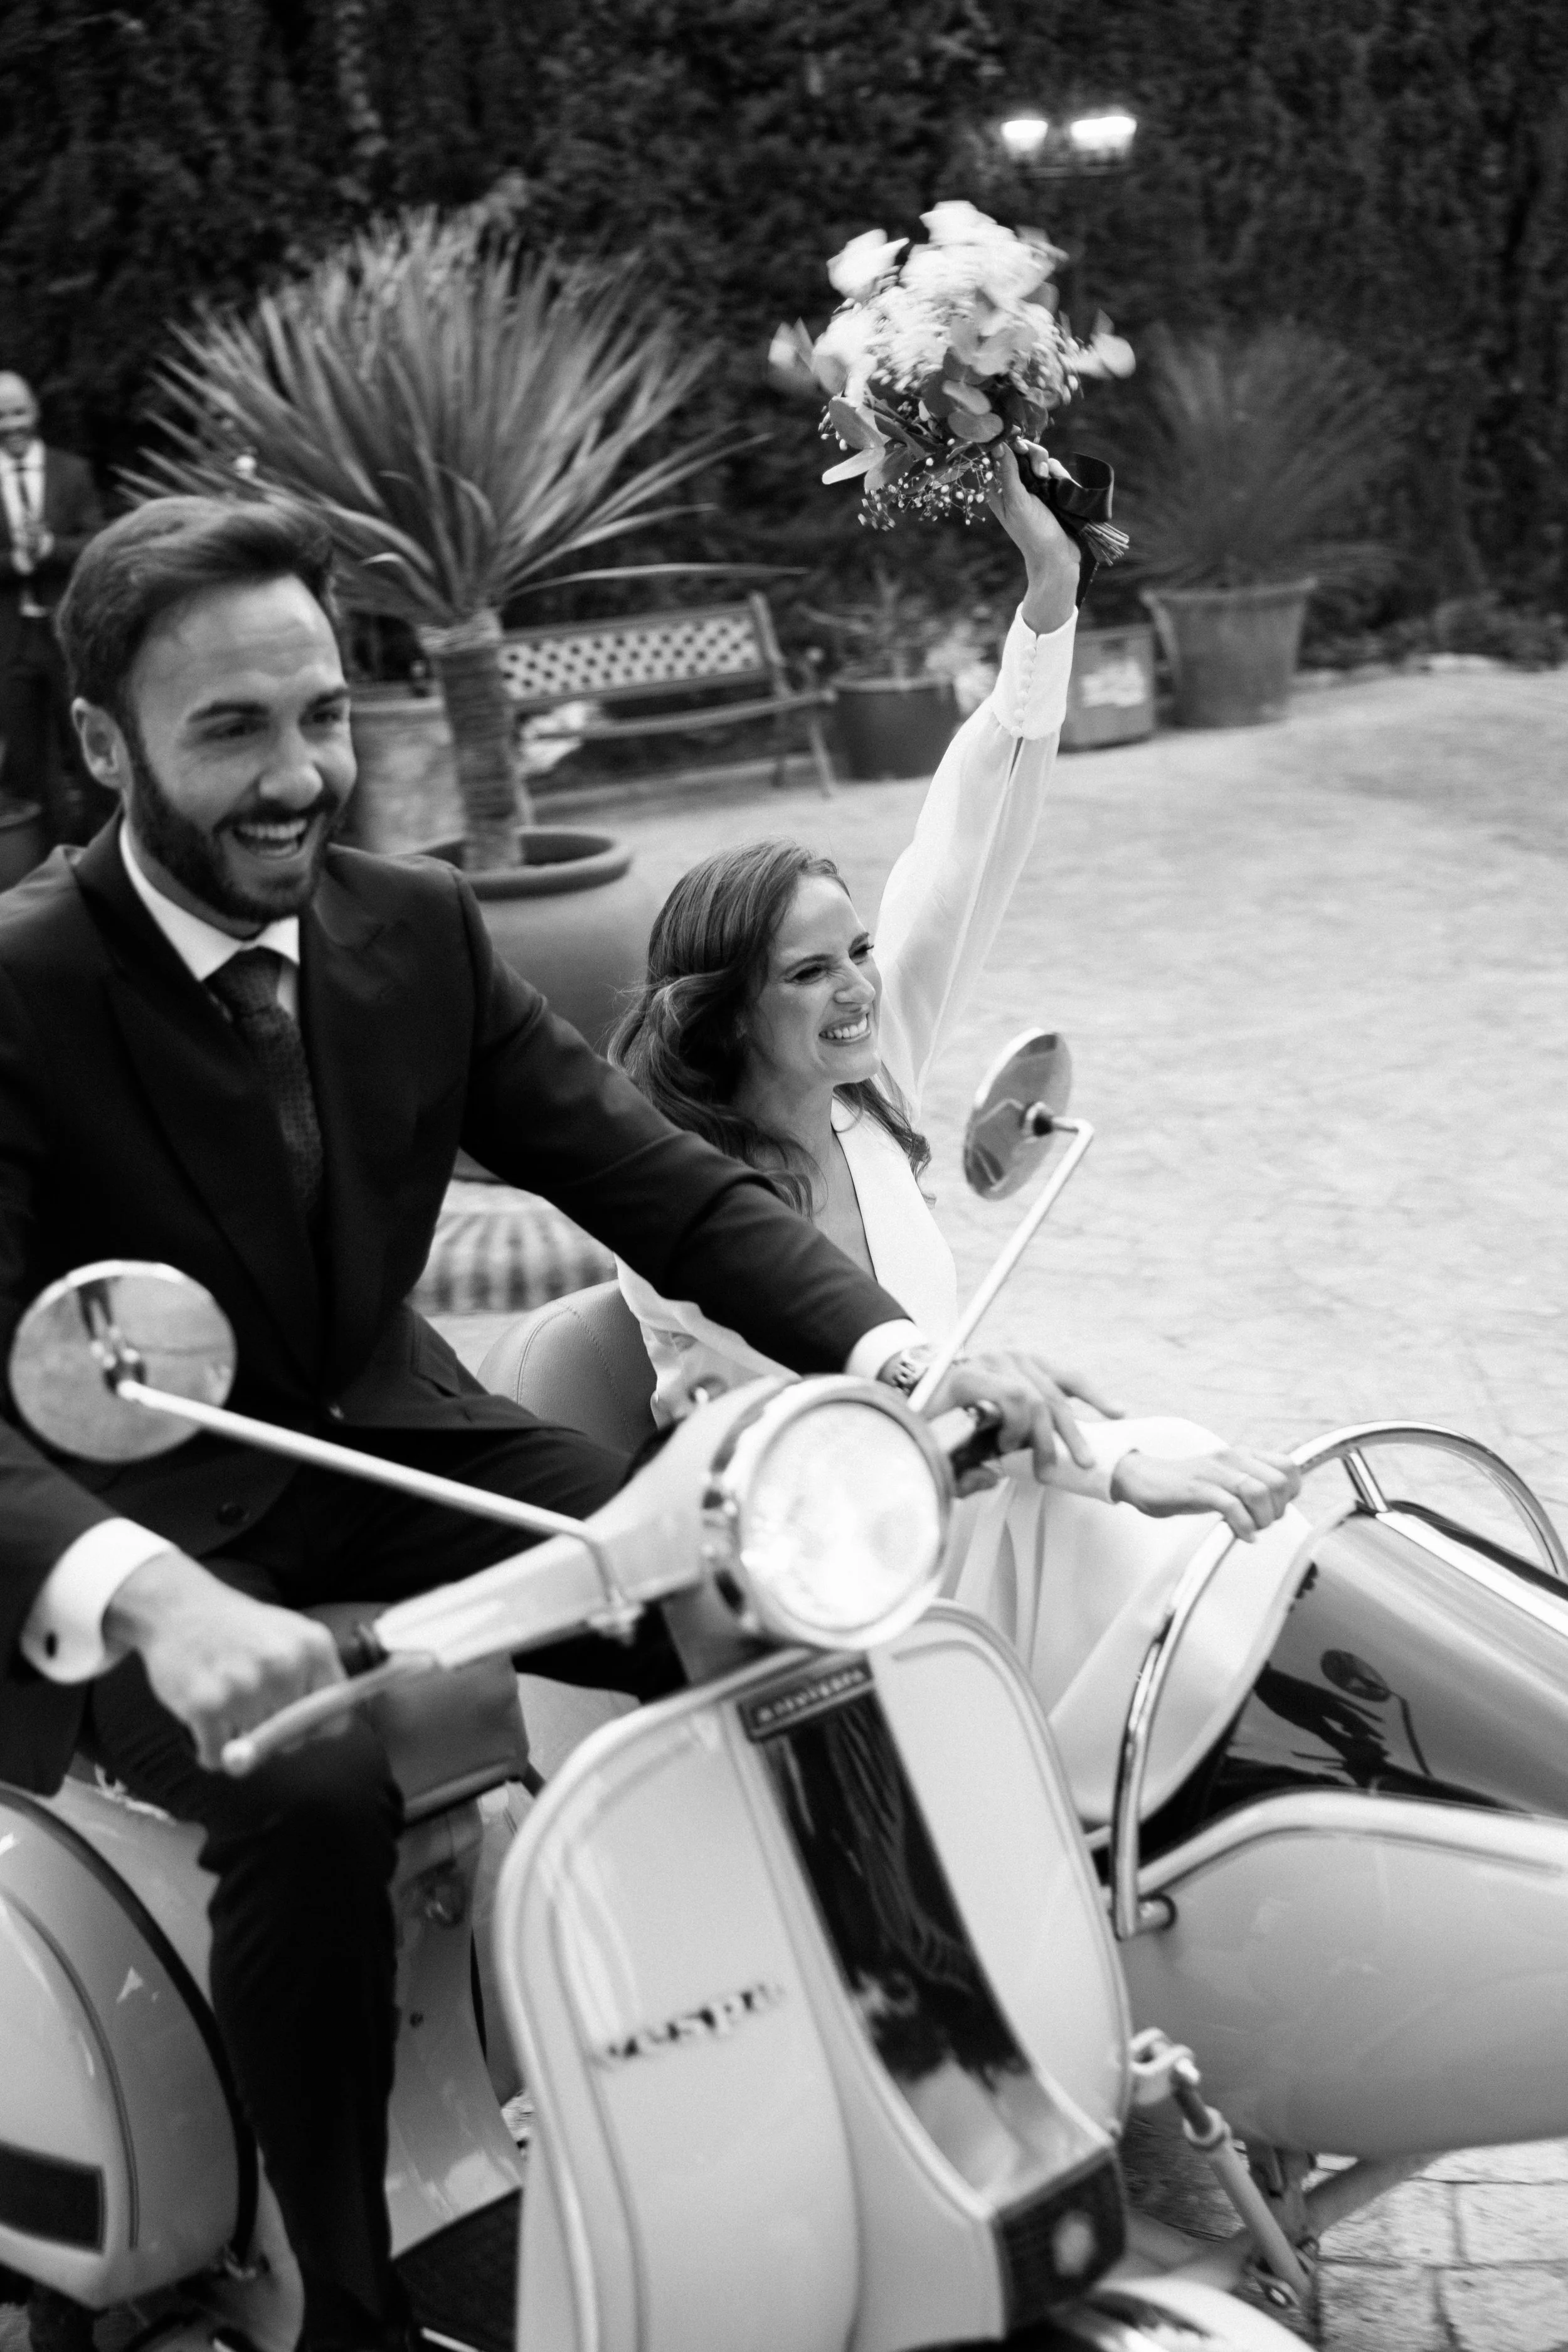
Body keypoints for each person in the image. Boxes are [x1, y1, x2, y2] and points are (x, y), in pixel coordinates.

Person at [0, 494, 1074, 2352]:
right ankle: (343, 2305)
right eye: (229, 728)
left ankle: (891, 2103)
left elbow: (656, 1179)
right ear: (103, 742)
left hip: (394, 1442)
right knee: (311, 1785)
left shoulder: (410, 925)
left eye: (320, 714)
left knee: (764, 1598)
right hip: (121, 1514)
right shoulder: (19, 989)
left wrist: (902, 1354)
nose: (295, 774)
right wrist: (157, 1599)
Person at [612, 446, 1303, 1778]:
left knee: (1197, 1496)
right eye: (808, 973)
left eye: (859, 952)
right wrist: (1090, 1457)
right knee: (1140, 1478)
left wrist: (1049, 591)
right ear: (725, 1011)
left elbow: (963, 838)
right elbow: (836, 1434)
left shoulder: (866, 1081)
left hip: (966, 1498)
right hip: (836, 1593)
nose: (857, 988)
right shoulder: (670, 1206)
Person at [0, 371, 107, 845]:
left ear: (35, 411)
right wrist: (15, 562)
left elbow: (96, 543)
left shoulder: (73, 471)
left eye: (18, 412)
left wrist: (49, 549)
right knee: (25, 765)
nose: (11, 424)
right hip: (10, 641)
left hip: (67, 636)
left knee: (88, 749)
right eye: (1, 416)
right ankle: (46, 866)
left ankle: (103, 856)